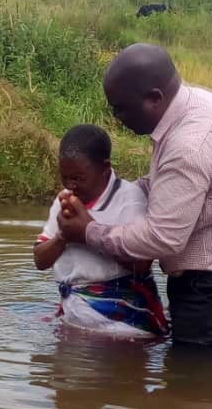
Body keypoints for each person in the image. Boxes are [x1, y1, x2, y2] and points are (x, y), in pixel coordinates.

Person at [56, 44, 212, 347]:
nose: (116, 116)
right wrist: (116, 196)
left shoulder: (189, 146)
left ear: (154, 98)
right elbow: (167, 183)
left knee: (194, 382)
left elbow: (162, 238)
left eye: (121, 107)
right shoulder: (195, 102)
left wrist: (88, 231)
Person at [35, 123, 168, 339]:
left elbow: (142, 264)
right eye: (65, 177)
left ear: (105, 169)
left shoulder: (129, 199)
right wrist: (63, 237)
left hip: (126, 324)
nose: (71, 185)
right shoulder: (64, 200)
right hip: (75, 315)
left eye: (79, 178)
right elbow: (39, 260)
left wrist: (87, 233)